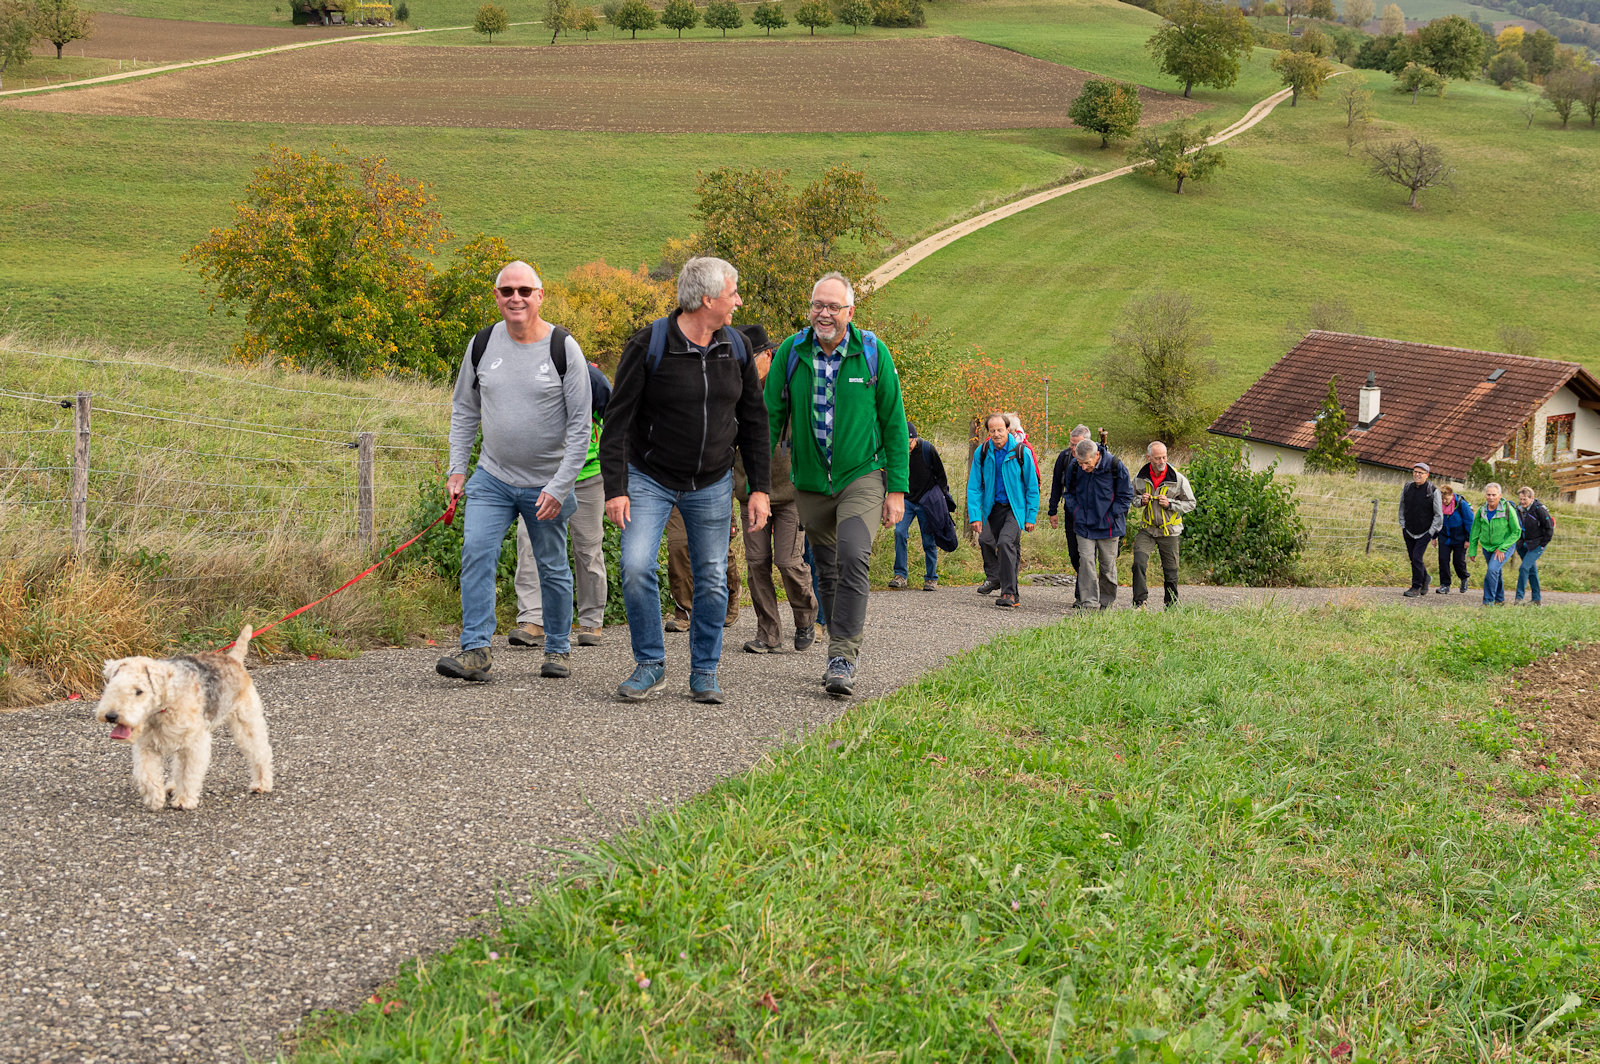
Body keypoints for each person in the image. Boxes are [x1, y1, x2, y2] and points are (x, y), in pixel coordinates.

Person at [600, 257, 771, 705]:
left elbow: (754, 421)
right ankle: (650, 663)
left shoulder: (734, 346)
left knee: (712, 576)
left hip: (712, 481)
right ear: (708, 298)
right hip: (649, 477)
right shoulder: (650, 344)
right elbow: (617, 421)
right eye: (733, 293)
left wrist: (759, 488)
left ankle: (704, 670)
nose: (739, 301)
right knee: (637, 566)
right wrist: (615, 487)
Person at [437, 261, 591, 683]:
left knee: (553, 566)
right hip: (492, 476)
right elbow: (465, 409)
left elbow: (581, 426)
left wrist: (560, 486)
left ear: (540, 295)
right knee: (476, 552)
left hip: (548, 482)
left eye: (525, 290)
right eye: (507, 291)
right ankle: (475, 651)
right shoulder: (482, 344)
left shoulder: (563, 347)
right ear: (497, 296)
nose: (516, 298)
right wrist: (457, 469)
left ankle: (558, 648)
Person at [765, 272, 909, 698]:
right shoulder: (792, 352)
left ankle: (844, 655)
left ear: (850, 311)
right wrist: (757, 482)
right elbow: (770, 417)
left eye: (832, 306)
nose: (823, 313)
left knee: (852, 556)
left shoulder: (872, 353)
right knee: (825, 567)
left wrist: (896, 488)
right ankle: (835, 652)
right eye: (817, 305)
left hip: (861, 475)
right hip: (809, 483)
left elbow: (894, 423)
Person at [509, 360, 612, 648]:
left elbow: (614, 423)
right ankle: (532, 619)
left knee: (588, 548)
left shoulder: (593, 379)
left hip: (588, 476)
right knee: (528, 543)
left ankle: (591, 622)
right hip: (542, 477)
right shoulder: (527, 376)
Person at [736, 324, 819, 653]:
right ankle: (768, 633)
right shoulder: (737, 391)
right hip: (749, 491)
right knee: (757, 563)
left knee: (787, 561)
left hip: (790, 493)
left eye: (751, 357)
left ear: (768, 355)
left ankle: (806, 615)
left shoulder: (791, 386)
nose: (745, 363)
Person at [966, 412, 1040, 609]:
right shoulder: (982, 452)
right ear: (988, 433)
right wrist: (975, 515)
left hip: (1014, 510)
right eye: (992, 431)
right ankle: (995, 577)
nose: (997, 434)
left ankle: (1010, 593)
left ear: (1008, 429)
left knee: (1006, 542)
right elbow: (974, 487)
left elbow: (1032, 487)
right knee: (985, 540)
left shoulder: (1020, 452)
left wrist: (1030, 516)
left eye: (1000, 429)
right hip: (991, 508)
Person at [1063, 436, 1134, 610]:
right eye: (1080, 463)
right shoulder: (1074, 467)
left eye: (1086, 463)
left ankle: (1106, 602)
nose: (1083, 467)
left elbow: (1126, 496)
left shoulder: (1116, 466)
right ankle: (1089, 603)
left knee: (1107, 566)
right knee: (1086, 563)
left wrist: (1111, 515)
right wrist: (1077, 513)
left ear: (1096, 456)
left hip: (1109, 526)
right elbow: (1069, 493)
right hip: (1083, 525)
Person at [1129, 441, 1196, 609]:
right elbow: (1130, 498)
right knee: (1139, 563)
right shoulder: (1139, 478)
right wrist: (1140, 501)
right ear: (1148, 457)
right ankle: (1139, 603)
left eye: (1164, 457)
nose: (1161, 461)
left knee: (1171, 570)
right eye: (1157, 458)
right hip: (1148, 529)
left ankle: (1171, 605)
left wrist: (1171, 504)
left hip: (1170, 530)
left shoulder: (1178, 479)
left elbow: (1191, 503)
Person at [891, 421, 951, 591]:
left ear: (915, 439)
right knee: (899, 532)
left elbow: (941, 476)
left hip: (927, 502)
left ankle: (931, 578)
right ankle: (900, 575)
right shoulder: (898, 452)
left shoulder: (927, 450)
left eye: (909, 443)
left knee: (928, 540)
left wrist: (939, 499)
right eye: (903, 443)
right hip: (907, 501)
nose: (907, 447)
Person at [662, 507, 740, 631]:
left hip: (712, 490)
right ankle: (685, 611)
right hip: (676, 491)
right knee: (678, 545)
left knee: (716, 547)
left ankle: (731, 594)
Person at [1047, 425, 1092, 606]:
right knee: (1074, 553)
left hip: (1091, 515)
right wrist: (1052, 510)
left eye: (1077, 445)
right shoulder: (1064, 457)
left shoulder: (1097, 457)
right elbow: (1057, 484)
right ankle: (1087, 585)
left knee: (1086, 554)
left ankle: (1082, 595)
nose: (1073, 449)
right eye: (1071, 444)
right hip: (1071, 512)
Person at [1467, 481, 1521, 606]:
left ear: (1500, 495)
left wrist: (1502, 548)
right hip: (1487, 547)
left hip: (1504, 546)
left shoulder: (1507, 509)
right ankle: (1500, 599)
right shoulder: (1482, 510)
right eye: (1488, 494)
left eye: (1494, 495)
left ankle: (1488, 602)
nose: (1491, 497)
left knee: (1492, 570)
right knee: (1496, 571)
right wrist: (1472, 550)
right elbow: (1475, 532)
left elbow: (1516, 531)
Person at [1399, 461, 1443, 597]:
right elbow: (1402, 507)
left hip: (1425, 532)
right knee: (1414, 558)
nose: (1417, 475)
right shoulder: (1407, 488)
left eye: (1421, 473)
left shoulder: (1433, 491)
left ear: (1427, 475)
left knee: (1417, 557)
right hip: (1409, 530)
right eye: (1415, 472)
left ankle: (1416, 587)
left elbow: (1438, 514)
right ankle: (1425, 578)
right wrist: (1403, 525)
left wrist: (1431, 532)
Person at [1514, 485, 1554, 606]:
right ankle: (1536, 600)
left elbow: (1549, 528)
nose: (1522, 502)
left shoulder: (1539, 509)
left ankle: (1518, 599)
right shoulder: (1518, 509)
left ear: (1532, 498)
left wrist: (1542, 544)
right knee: (1532, 571)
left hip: (1537, 545)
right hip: (1523, 545)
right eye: (1521, 499)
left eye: (1525, 499)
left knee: (1524, 568)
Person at [1434, 481, 1474, 594]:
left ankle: (1464, 577)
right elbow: (1436, 521)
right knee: (1443, 560)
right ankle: (1445, 585)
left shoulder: (1461, 504)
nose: (1444, 502)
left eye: (1446, 499)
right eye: (1442, 500)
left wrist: (1468, 539)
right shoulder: (1439, 504)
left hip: (1460, 538)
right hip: (1444, 536)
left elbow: (1469, 522)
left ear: (1451, 495)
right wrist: (1434, 536)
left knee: (1458, 562)